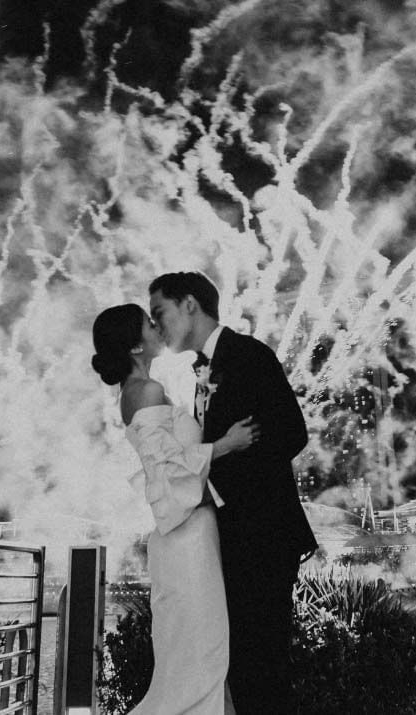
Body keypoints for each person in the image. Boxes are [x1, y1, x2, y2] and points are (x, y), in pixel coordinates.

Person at [147, 272, 318, 715]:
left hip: (262, 534)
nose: (157, 325)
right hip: (237, 536)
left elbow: (290, 434)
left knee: (262, 664)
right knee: (244, 661)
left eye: (159, 312)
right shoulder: (208, 367)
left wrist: (218, 488)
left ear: (189, 305)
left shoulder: (246, 355)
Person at [91, 303, 257, 715]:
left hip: (190, 535)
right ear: (134, 345)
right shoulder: (144, 392)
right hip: (186, 538)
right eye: (149, 323)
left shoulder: (144, 390)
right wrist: (226, 444)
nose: (157, 325)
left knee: (201, 660)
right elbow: (165, 474)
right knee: (198, 662)